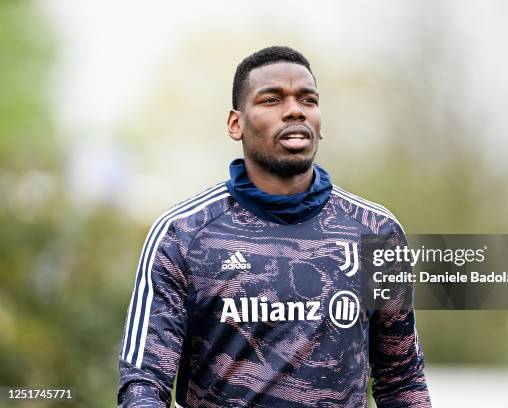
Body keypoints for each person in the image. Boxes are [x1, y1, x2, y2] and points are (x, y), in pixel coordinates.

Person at [117, 46, 431, 407]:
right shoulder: (183, 235)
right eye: (272, 99)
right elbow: (143, 384)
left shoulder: (376, 232)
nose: (295, 110)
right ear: (236, 124)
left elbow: (401, 380)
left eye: (308, 100)